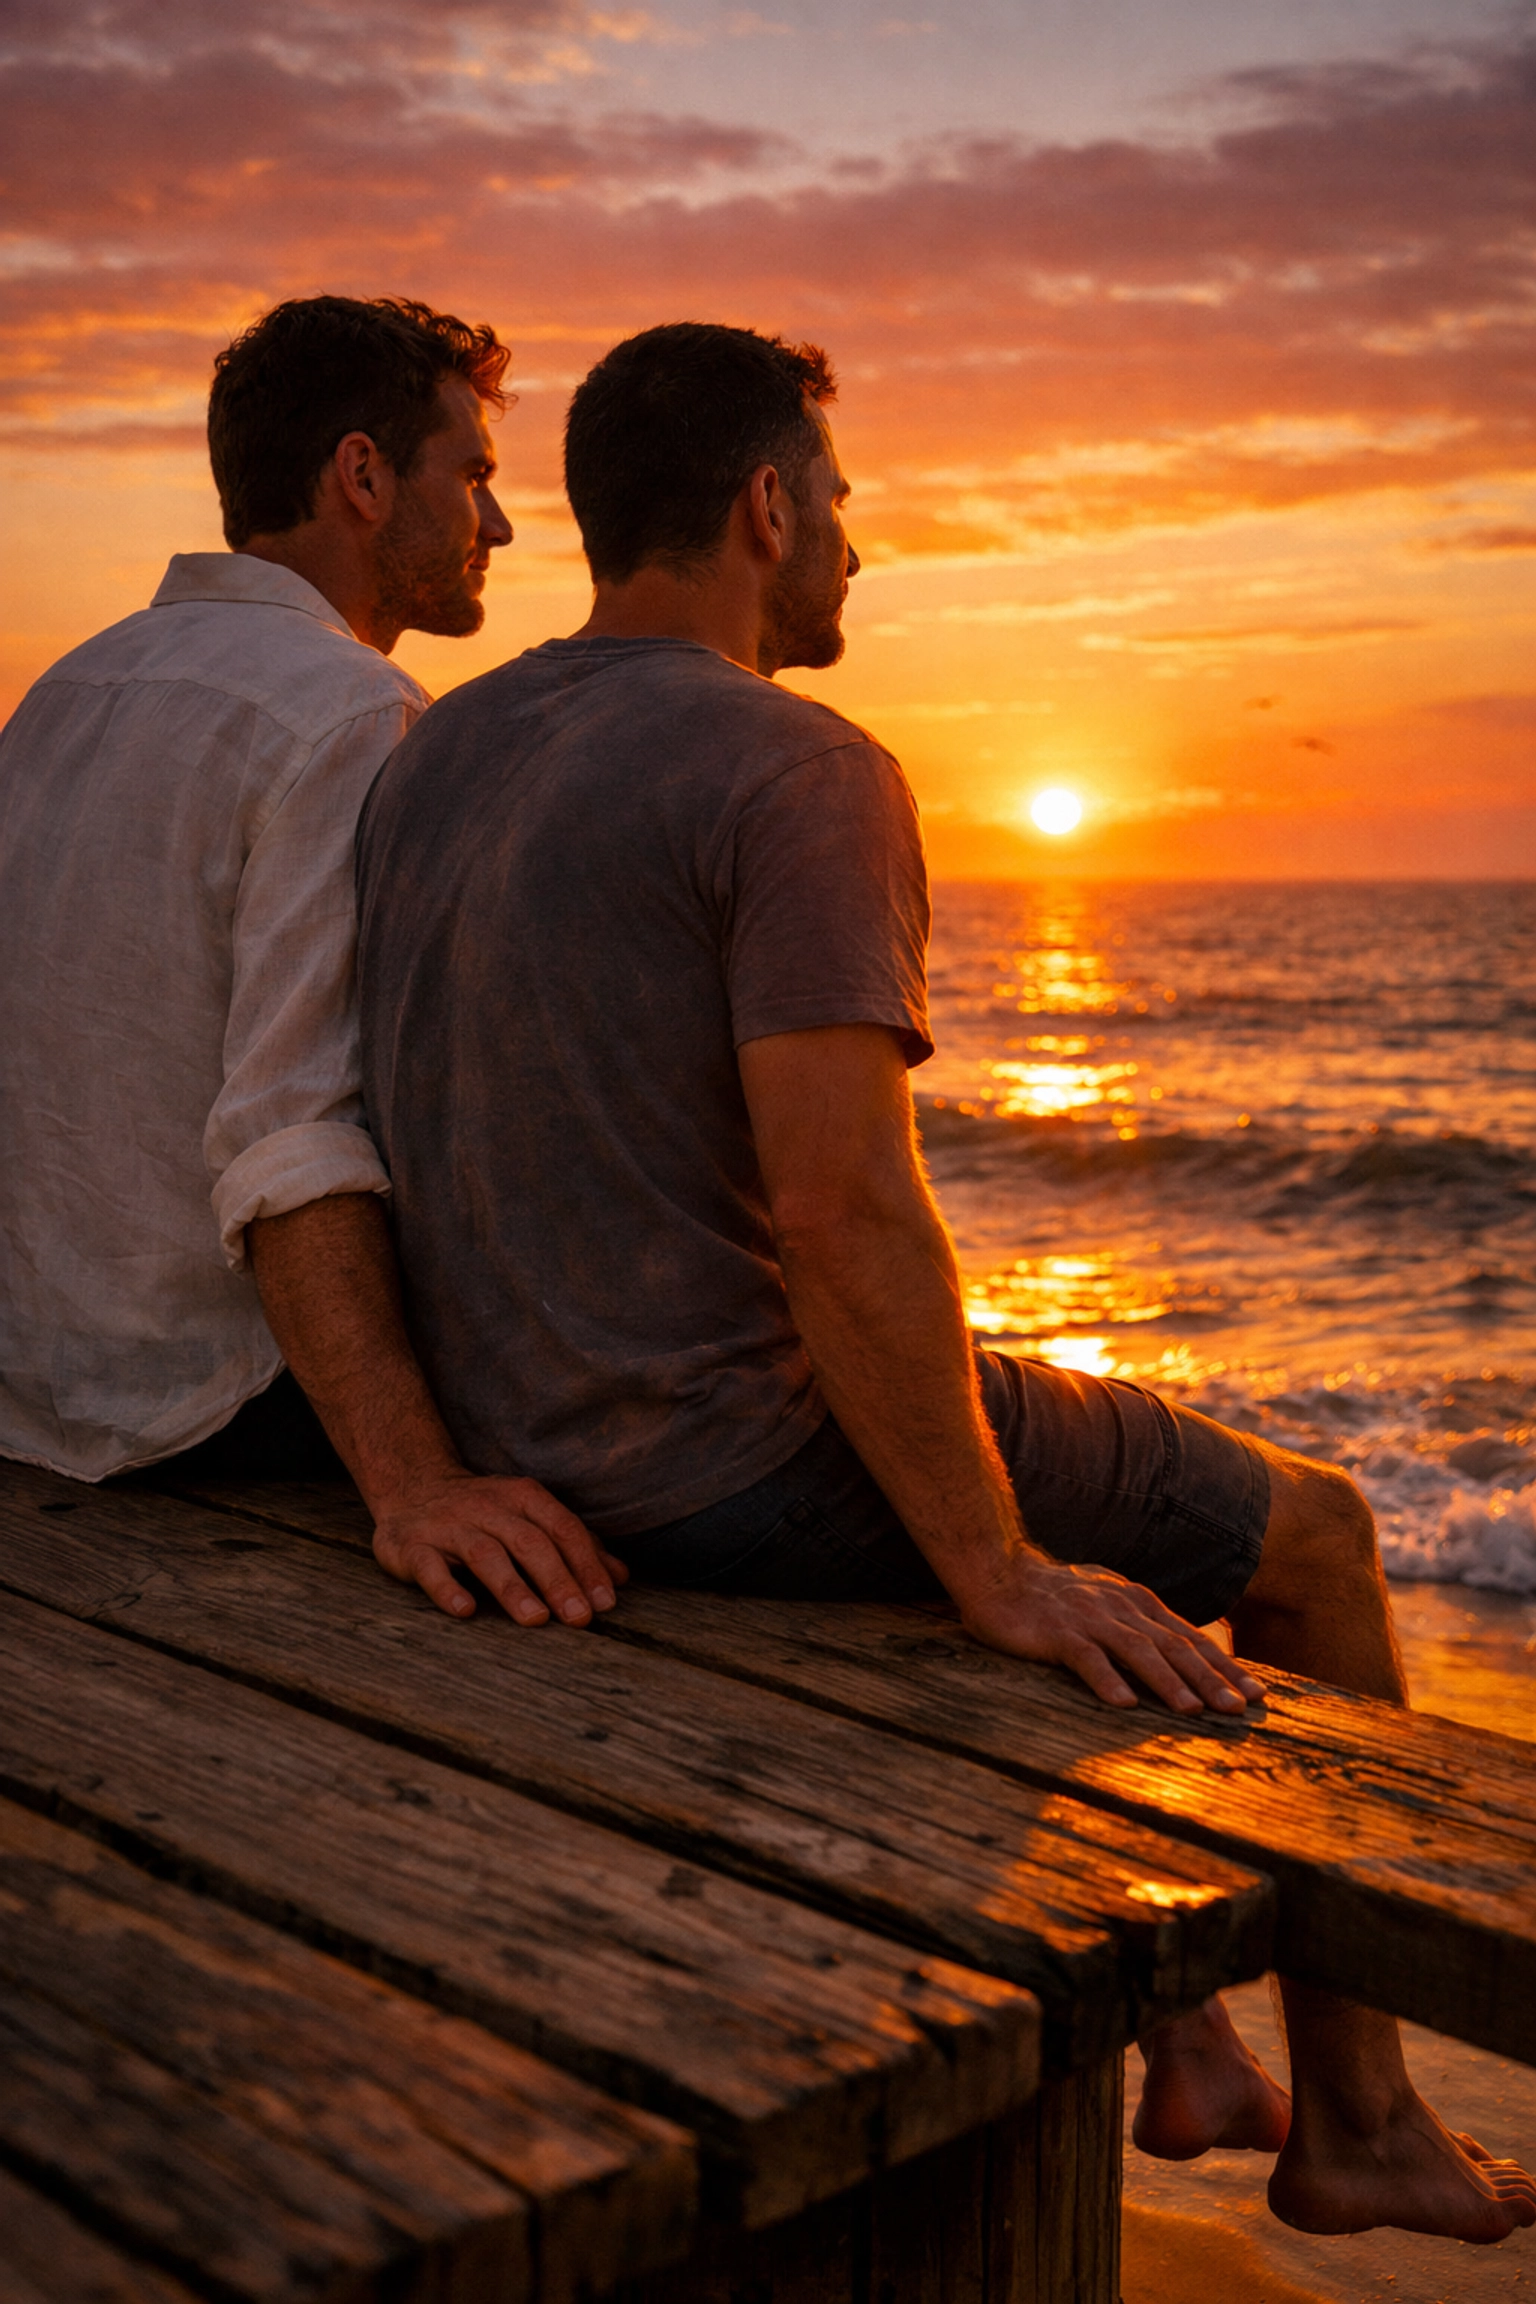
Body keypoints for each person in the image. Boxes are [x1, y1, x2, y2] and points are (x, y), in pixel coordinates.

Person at [354, 320, 1536, 2243]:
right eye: (837, 499)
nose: (853, 542)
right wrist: (986, 1560)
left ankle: (1201, 2055)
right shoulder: (799, 765)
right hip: (718, 1468)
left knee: (1089, 1507)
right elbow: (843, 1212)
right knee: (1305, 1535)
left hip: (518, 1443)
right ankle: (1368, 2121)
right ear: (762, 506)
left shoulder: (446, 751)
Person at [0, 292, 624, 1634]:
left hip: (34, 1382)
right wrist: (411, 1485)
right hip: (208, 1409)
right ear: (360, 475)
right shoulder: (353, 712)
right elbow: (294, 1130)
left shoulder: (69, 689)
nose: (499, 525)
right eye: (473, 478)